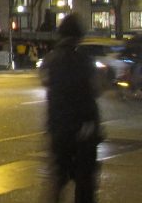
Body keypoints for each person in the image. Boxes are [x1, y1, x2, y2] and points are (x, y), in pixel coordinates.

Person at [41, 13, 102, 203]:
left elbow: (45, 81)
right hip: (84, 130)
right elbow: (97, 88)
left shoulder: (50, 60)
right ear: (79, 35)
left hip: (58, 128)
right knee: (85, 185)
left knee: (58, 181)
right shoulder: (84, 60)